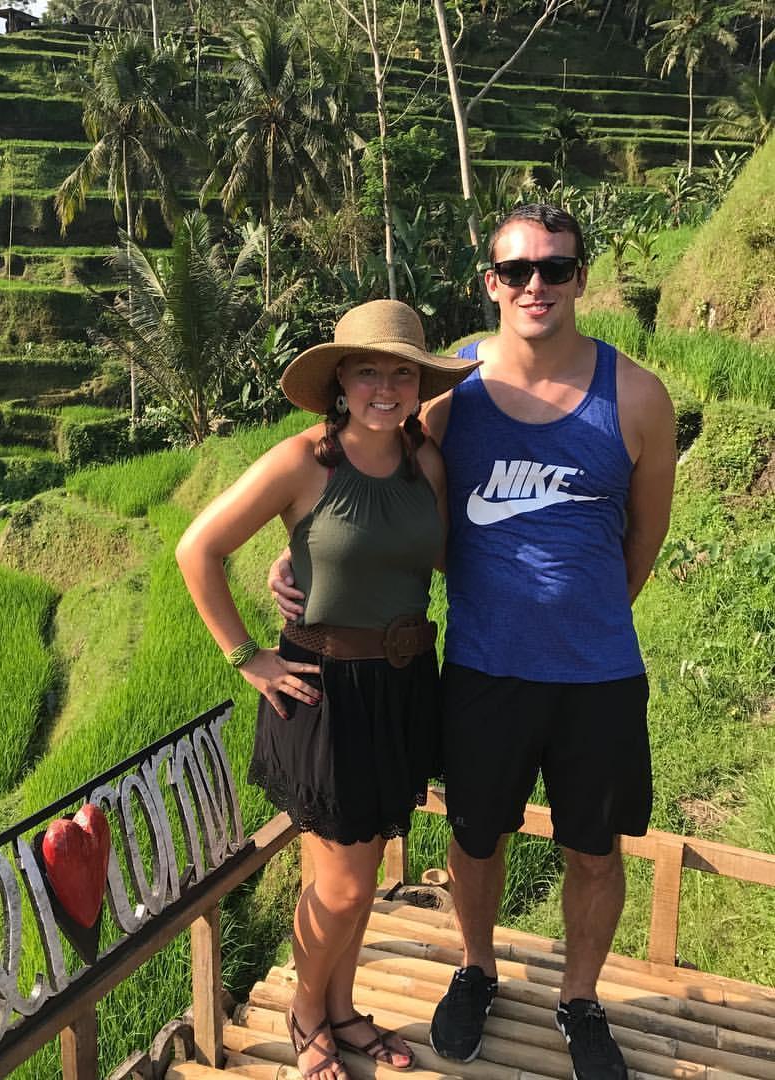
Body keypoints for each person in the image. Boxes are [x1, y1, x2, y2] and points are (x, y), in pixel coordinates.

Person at [271, 205, 677, 1080]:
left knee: (595, 849)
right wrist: (299, 549)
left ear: (580, 277)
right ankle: (476, 968)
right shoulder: (451, 396)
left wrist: (584, 615)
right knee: (476, 834)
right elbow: (373, 480)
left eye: (556, 269)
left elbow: (644, 540)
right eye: (518, 270)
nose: (538, 285)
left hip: (600, 674)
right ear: (490, 283)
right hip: (484, 669)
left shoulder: (637, 397)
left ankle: (580, 998)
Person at [177, 300, 479, 1080]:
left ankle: (340, 1009)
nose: (386, 386)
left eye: (401, 372)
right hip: (323, 695)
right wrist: (246, 656)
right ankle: (308, 1011)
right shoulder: (303, 462)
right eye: (368, 369)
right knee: (344, 888)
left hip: (405, 687)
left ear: (419, 384)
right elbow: (197, 550)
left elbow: (434, 558)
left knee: (354, 873)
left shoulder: (426, 464)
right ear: (340, 380)